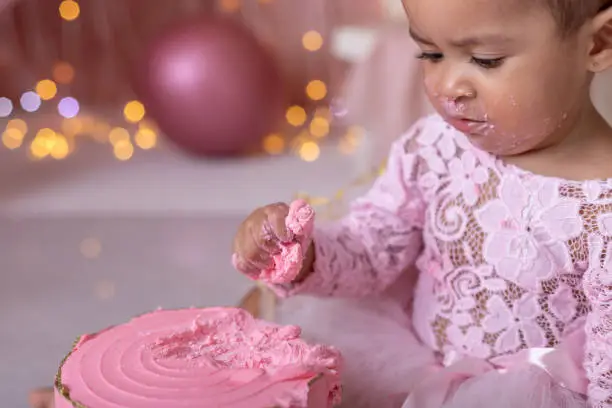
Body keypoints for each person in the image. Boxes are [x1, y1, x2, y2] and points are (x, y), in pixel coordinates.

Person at [233, 0, 612, 407]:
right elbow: (371, 250)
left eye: (486, 60)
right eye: (431, 54)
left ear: (596, 44)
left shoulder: (601, 207)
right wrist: (304, 254)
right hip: (408, 362)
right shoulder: (435, 147)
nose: (448, 86)